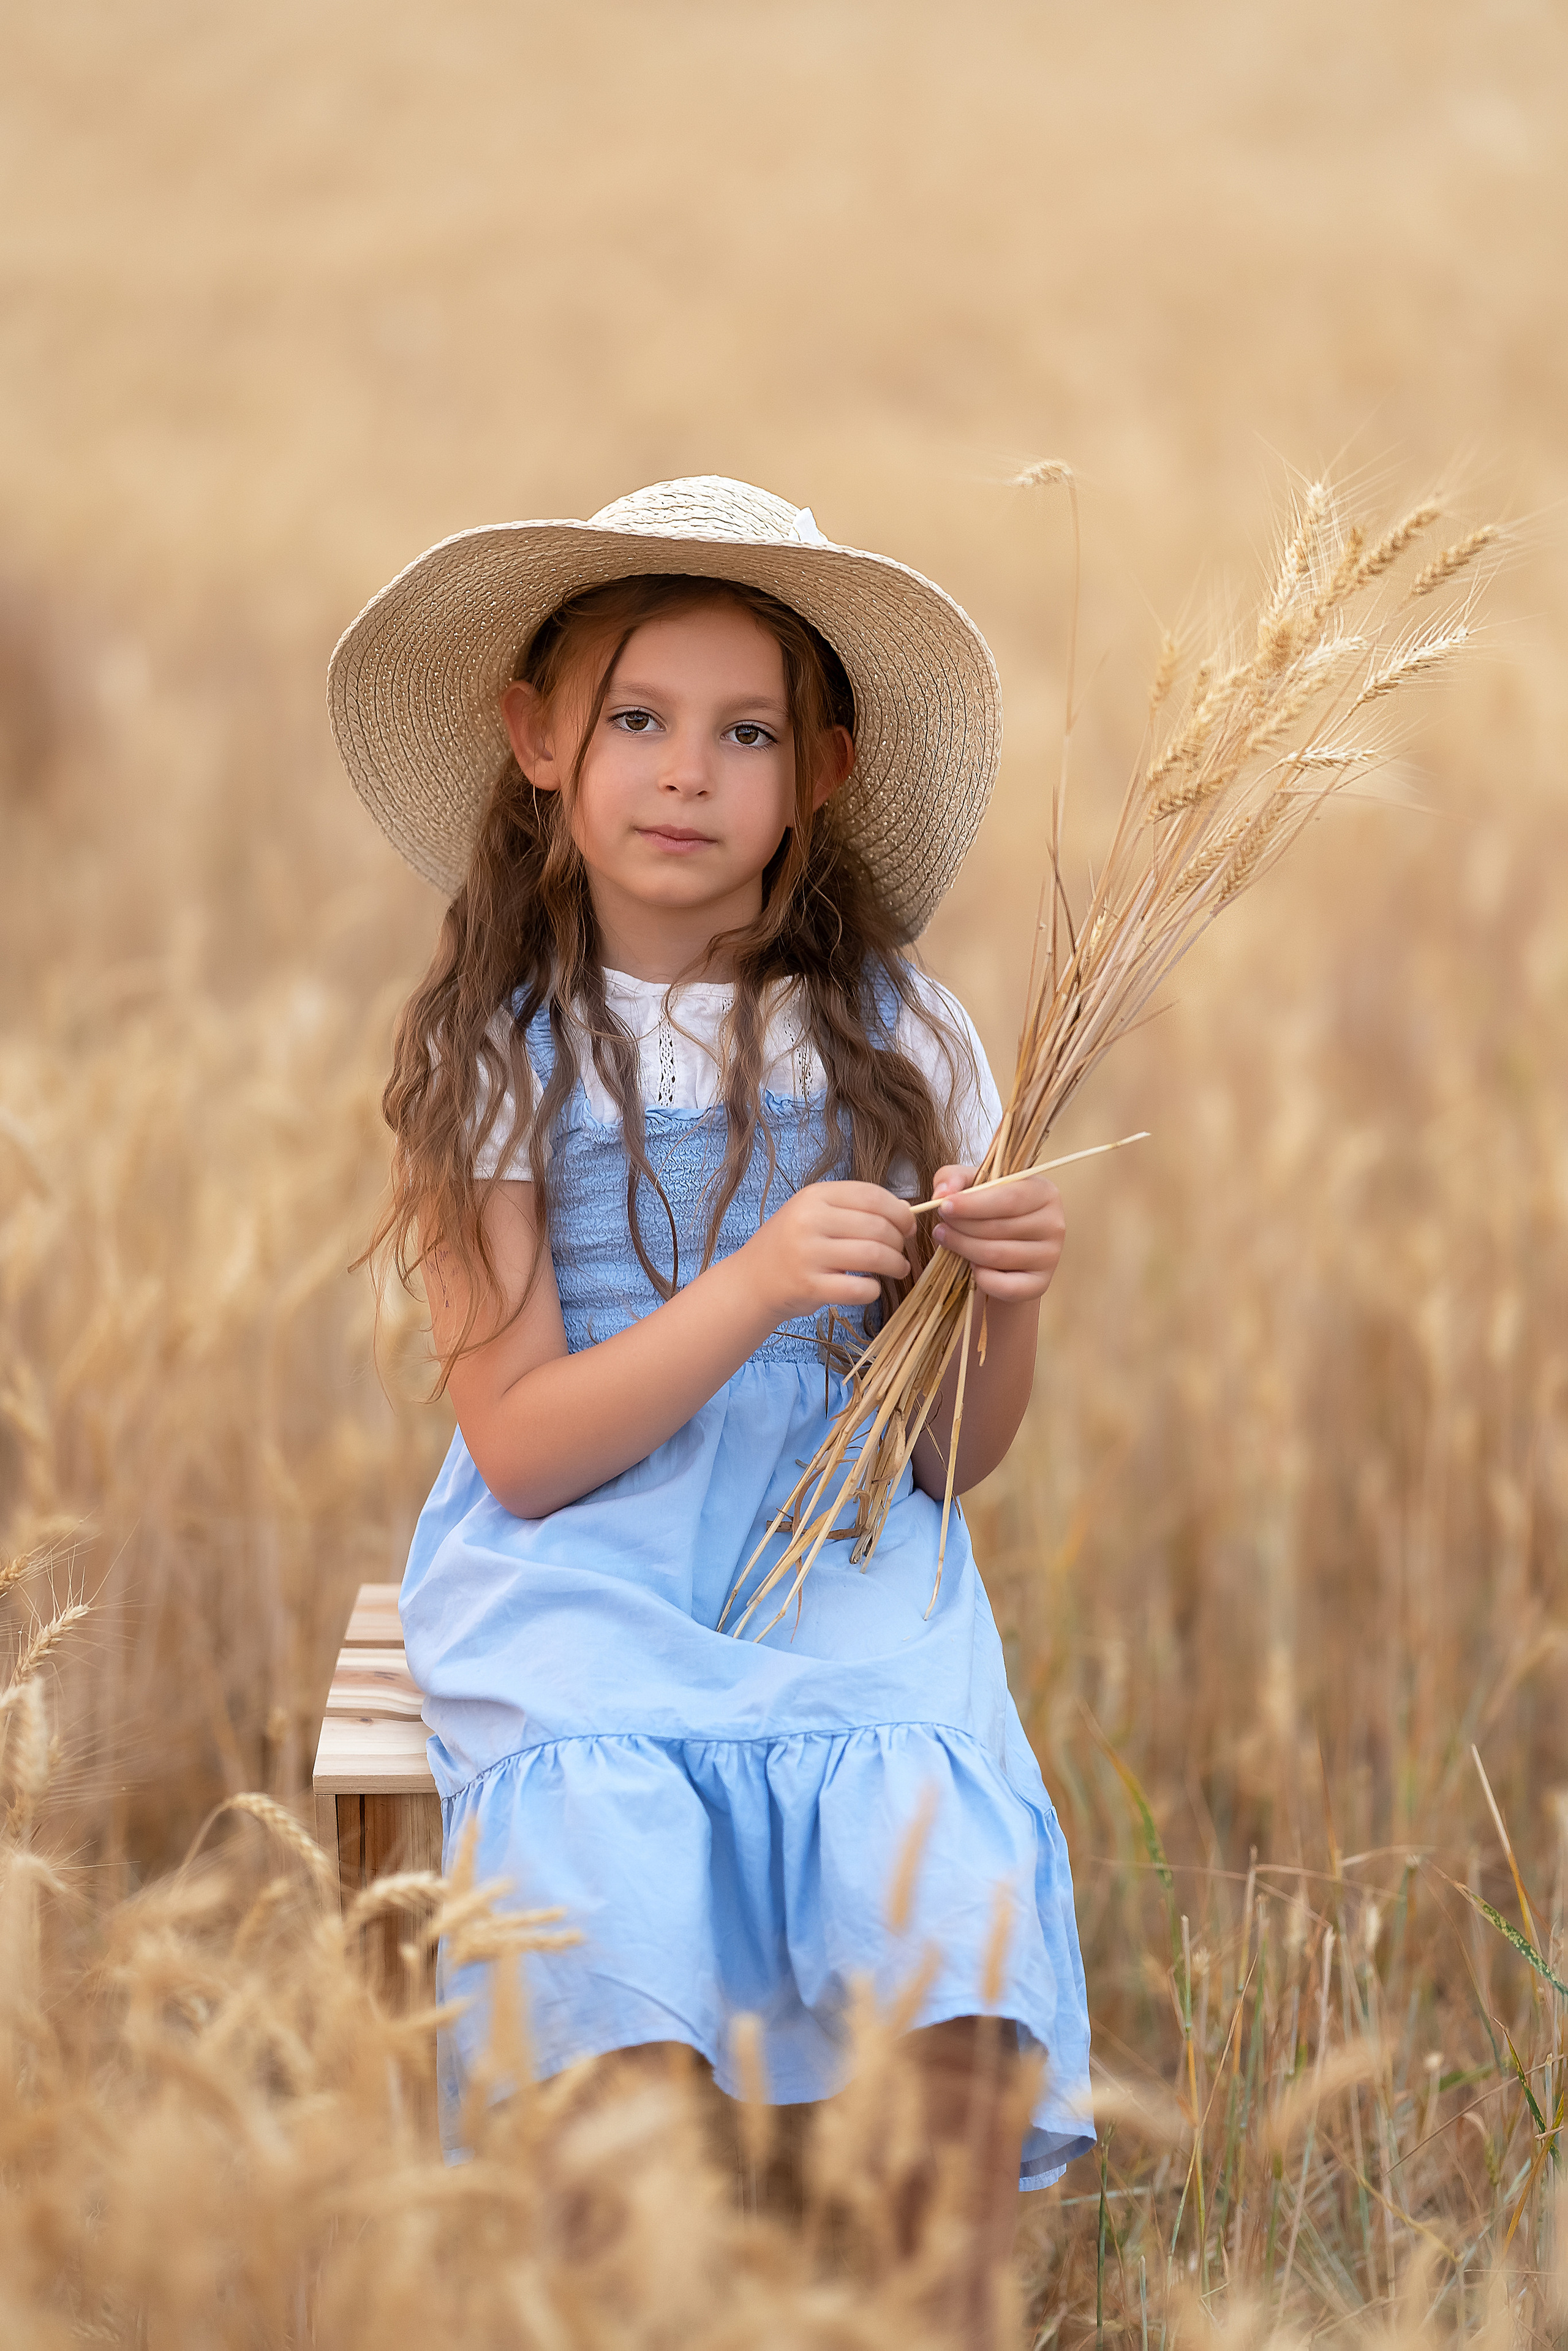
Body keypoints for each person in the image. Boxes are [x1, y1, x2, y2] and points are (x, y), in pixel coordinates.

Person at [330, 475, 1092, 2280]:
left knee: (942, 1913)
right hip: (585, 1572)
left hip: (835, 1566)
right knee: (606, 1928)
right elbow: (519, 1448)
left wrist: (1007, 1307)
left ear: (820, 769)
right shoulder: (495, 1058)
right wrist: (753, 1285)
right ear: (537, 740)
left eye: (744, 731)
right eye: (639, 722)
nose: (688, 773)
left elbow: (940, 1471)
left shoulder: (902, 1034)